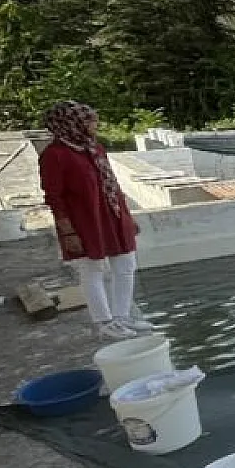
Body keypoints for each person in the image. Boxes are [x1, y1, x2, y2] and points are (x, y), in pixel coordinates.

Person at [38, 100, 152, 340]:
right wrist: (68, 231)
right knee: (92, 269)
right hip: (85, 220)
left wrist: (127, 216)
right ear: (72, 123)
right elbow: (54, 196)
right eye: (89, 120)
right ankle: (104, 321)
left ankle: (122, 316)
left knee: (125, 265)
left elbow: (112, 184)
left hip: (113, 215)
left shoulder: (95, 148)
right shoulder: (55, 155)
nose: (95, 125)